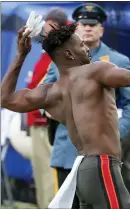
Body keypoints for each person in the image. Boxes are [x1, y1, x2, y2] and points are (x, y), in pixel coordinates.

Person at [1, 24, 130, 209]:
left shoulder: (49, 92)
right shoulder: (95, 71)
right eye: (81, 45)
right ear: (69, 54)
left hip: (83, 172)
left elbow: (5, 99)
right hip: (102, 166)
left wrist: (20, 55)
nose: (87, 48)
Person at [41, 4, 130, 207]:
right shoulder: (61, 59)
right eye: (83, 24)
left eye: (92, 25)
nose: (87, 28)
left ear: (101, 30)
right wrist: (56, 112)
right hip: (67, 149)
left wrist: (113, 133)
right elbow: (43, 96)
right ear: (76, 29)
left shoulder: (117, 61)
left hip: (102, 155)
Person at [26, 7, 68, 208]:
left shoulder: (60, 53)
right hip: (38, 121)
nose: (43, 30)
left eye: (47, 26)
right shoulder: (48, 52)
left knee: (50, 179)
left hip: (48, 124)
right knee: (42, 176)